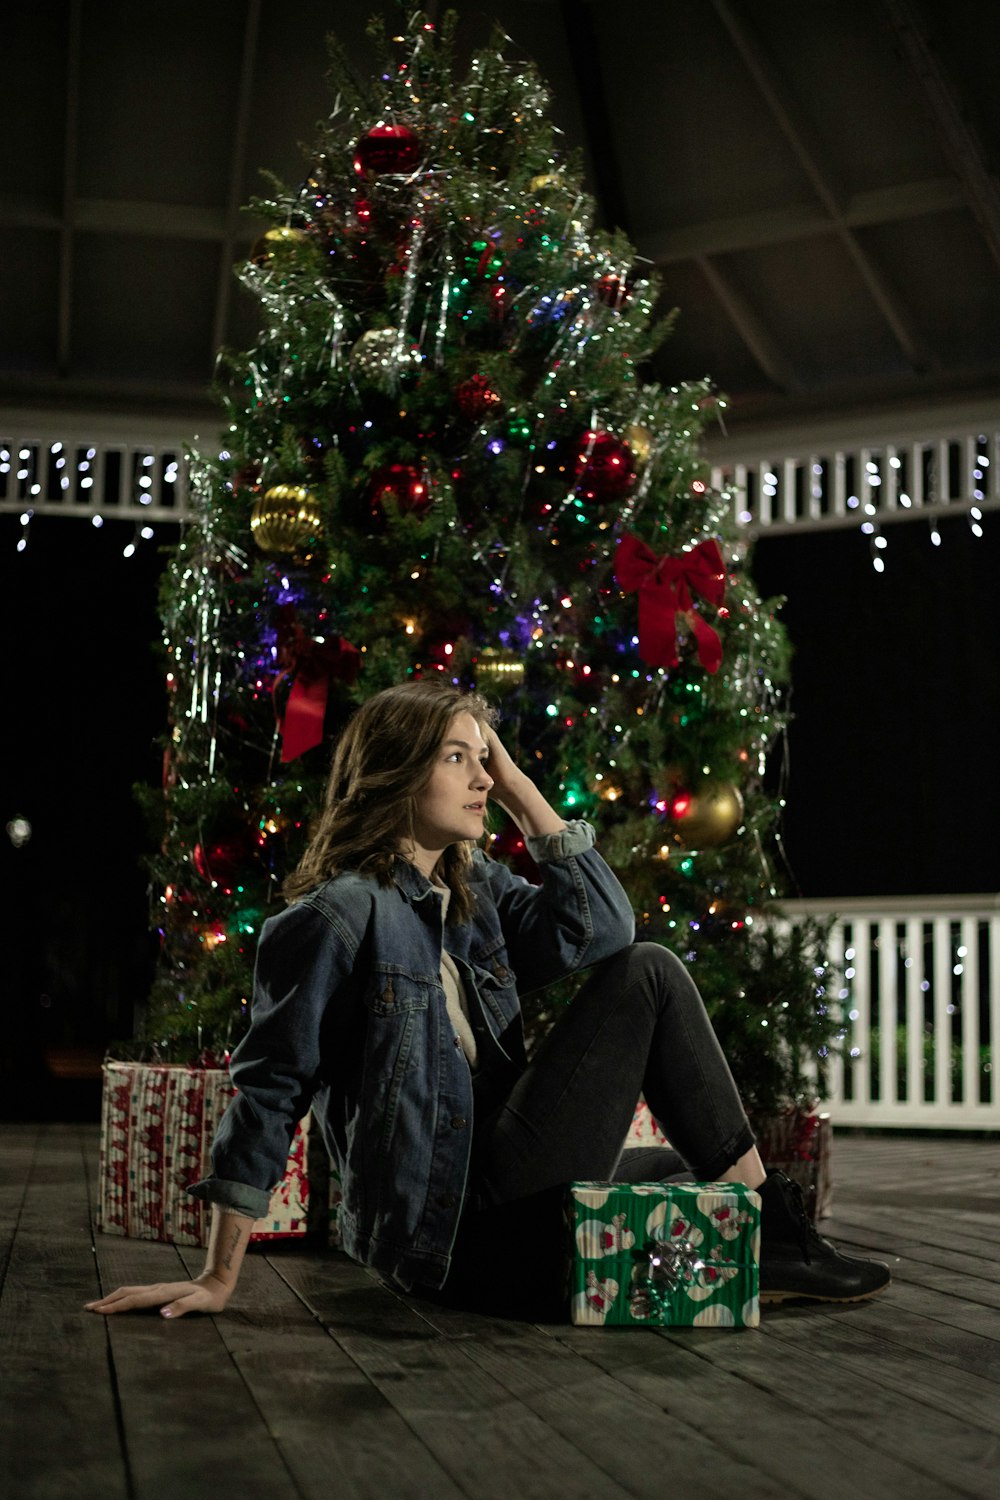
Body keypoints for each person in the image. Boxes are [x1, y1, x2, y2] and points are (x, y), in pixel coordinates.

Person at [86, 679, 889, 1321]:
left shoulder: (475, 899)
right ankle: (775, 1236)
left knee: (677, 1167)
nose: (482, 777)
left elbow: (605, 925)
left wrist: (520, 791)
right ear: (398, 773)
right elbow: (267, 1090)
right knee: (650, 974)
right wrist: (219, 1277)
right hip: (459, 1232)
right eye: (458, 759)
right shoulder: (337, 916)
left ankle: (761, 1232)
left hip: (503, 1182)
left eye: (487, 760)